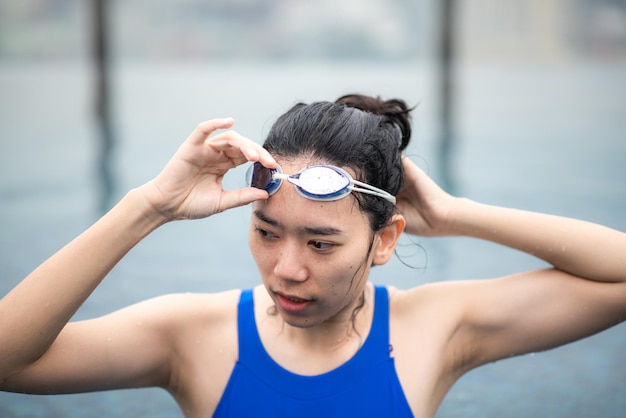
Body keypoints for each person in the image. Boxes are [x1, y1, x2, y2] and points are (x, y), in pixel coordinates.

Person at [0, 94, 624, 417]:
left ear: (384, 241)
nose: (287, 269)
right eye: (267, 232)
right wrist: (147, 208)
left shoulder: (436, 329)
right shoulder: (191, 337)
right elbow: (9, 363)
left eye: (321, 242)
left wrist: (456, 214)